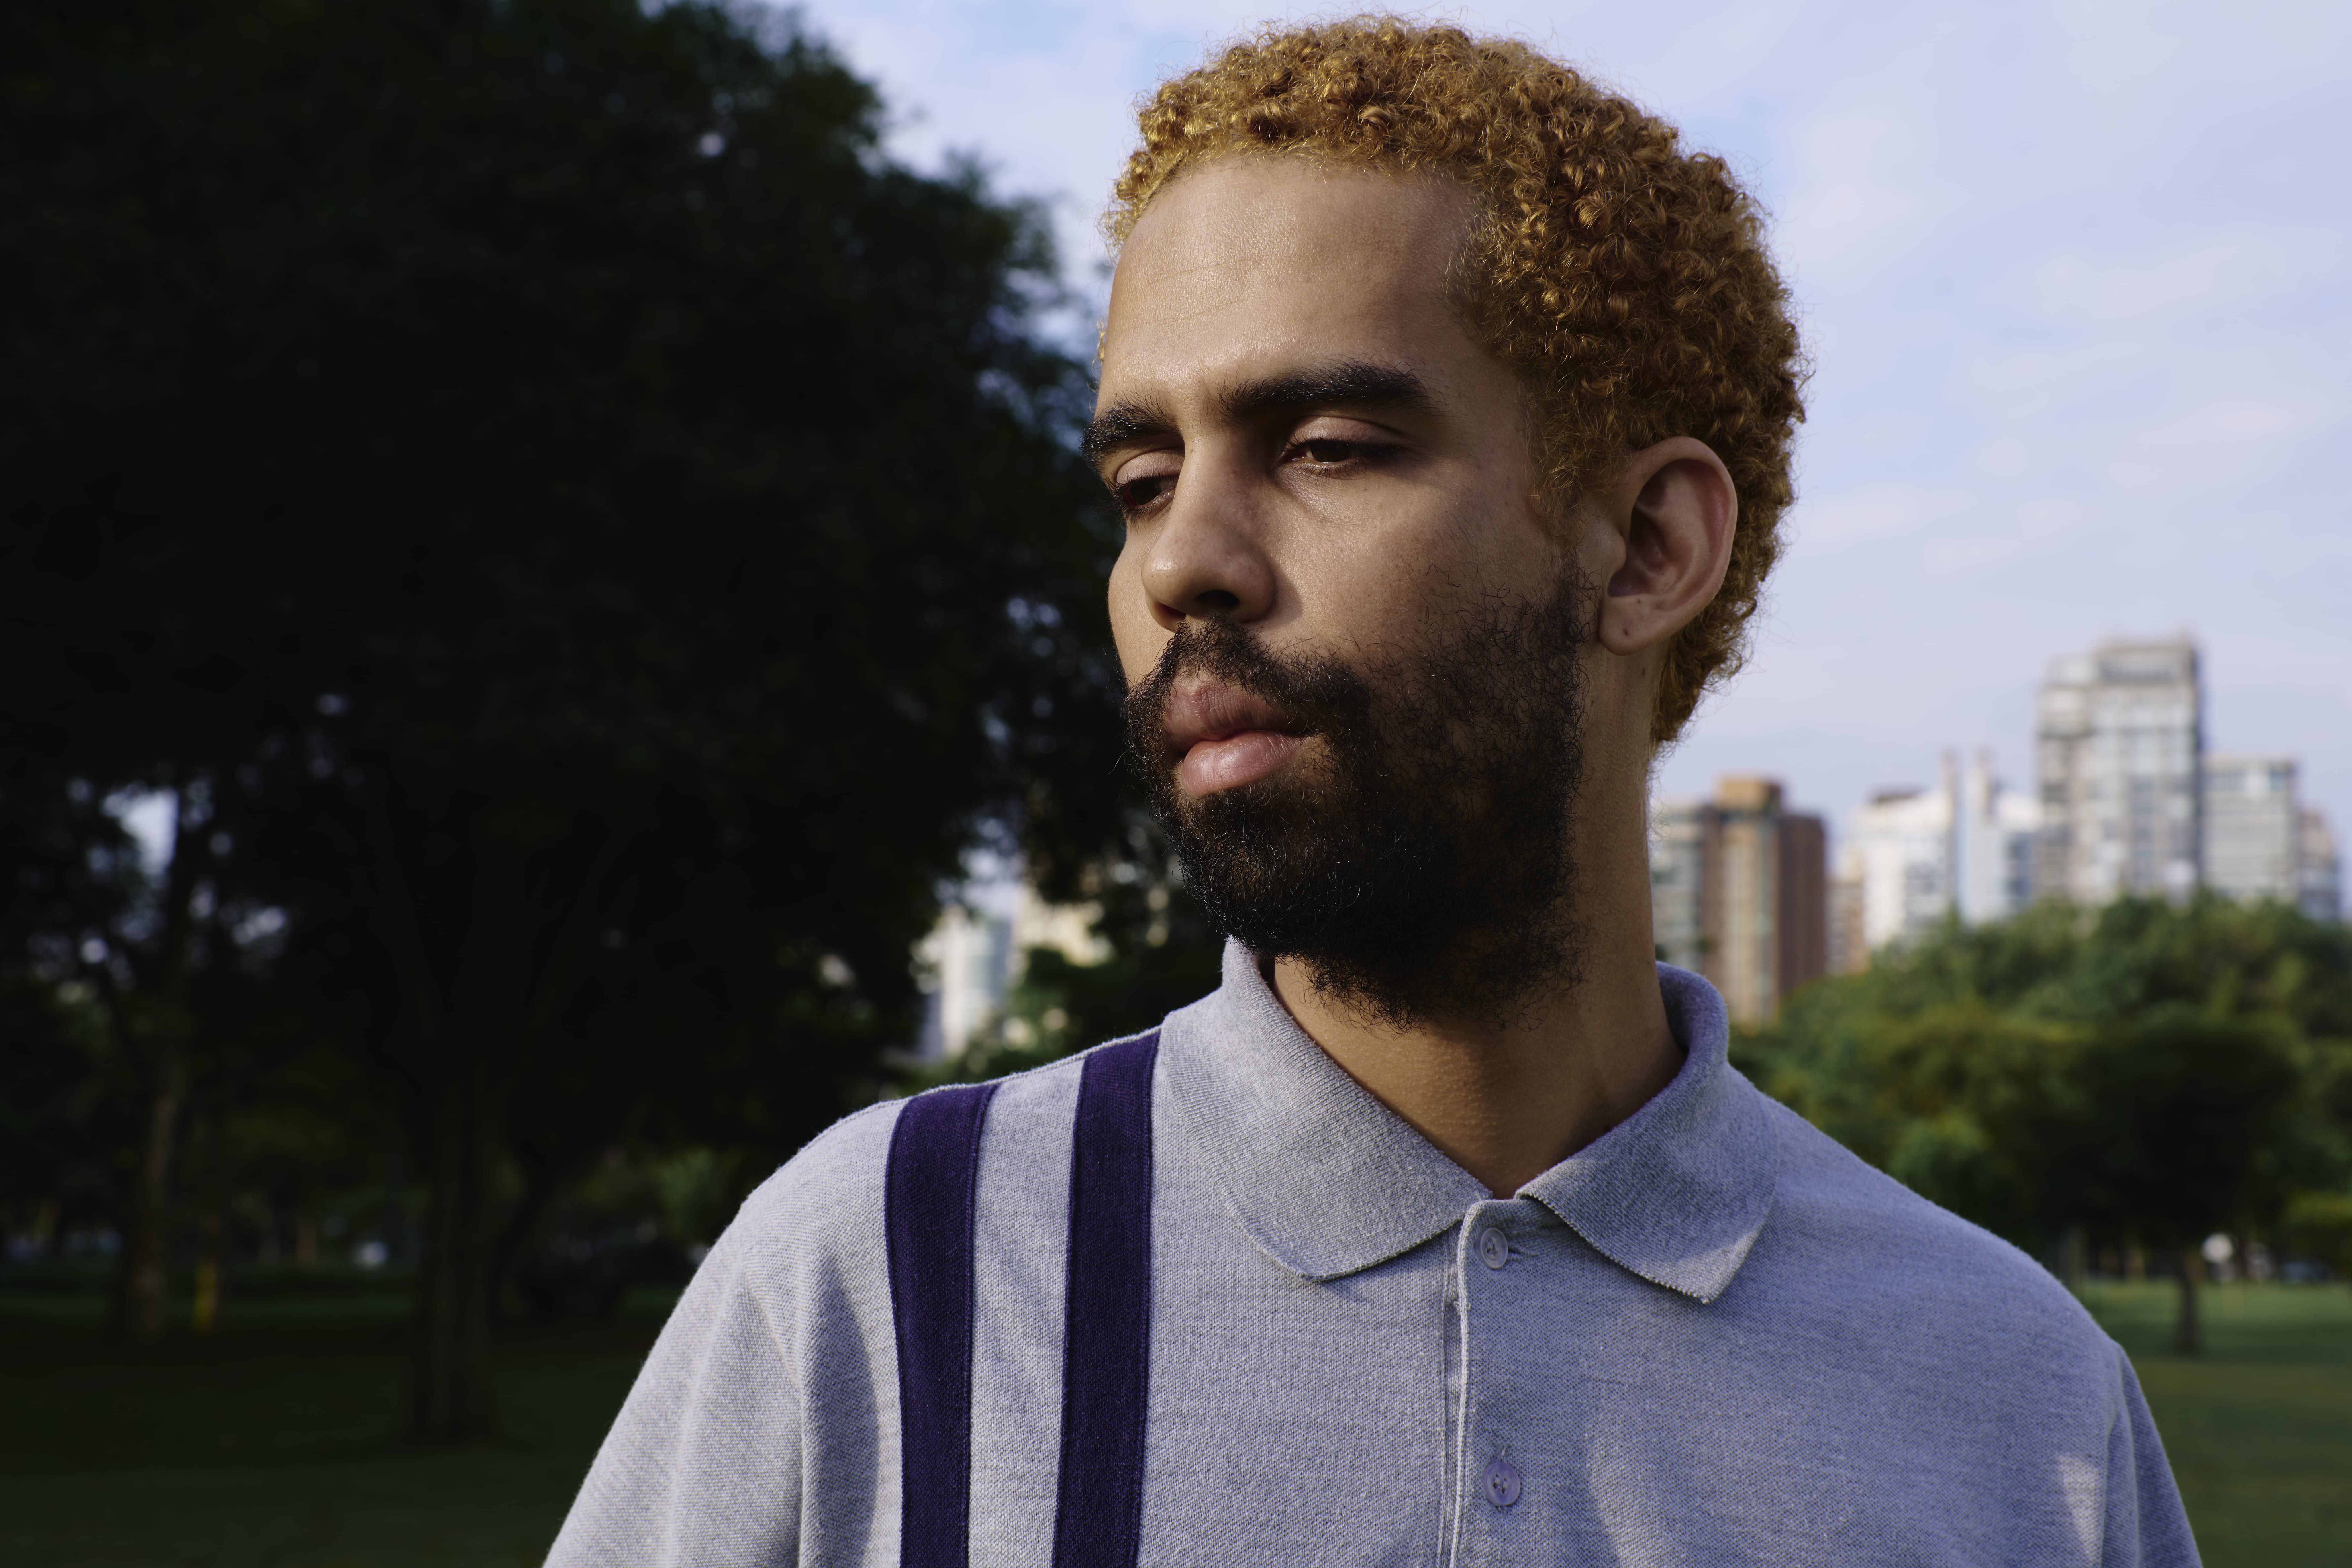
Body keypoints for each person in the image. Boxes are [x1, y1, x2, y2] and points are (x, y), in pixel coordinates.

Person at [550, 19, 2198, 1567]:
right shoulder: (885, 1274)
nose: (1182, 560)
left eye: (1329, 446)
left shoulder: (2019, 1407)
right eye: (1141, 480)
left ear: (1646, 547)